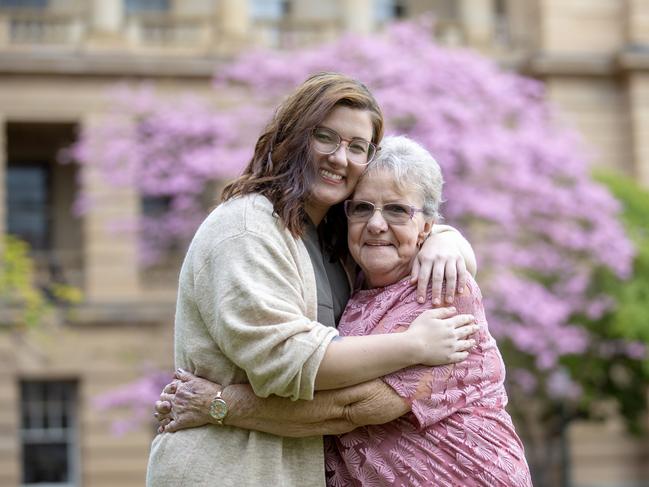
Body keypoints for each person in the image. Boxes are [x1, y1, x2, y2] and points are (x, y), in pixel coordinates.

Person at [146, 73, 478, 487]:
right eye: (326, 137)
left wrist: (445, 240)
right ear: (294, 136)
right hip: (231, 470)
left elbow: (405, 231)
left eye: (357, 147)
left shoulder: (338, 241)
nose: (340, 158)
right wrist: (414, 345)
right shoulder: (247, 229)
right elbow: (288, 362)